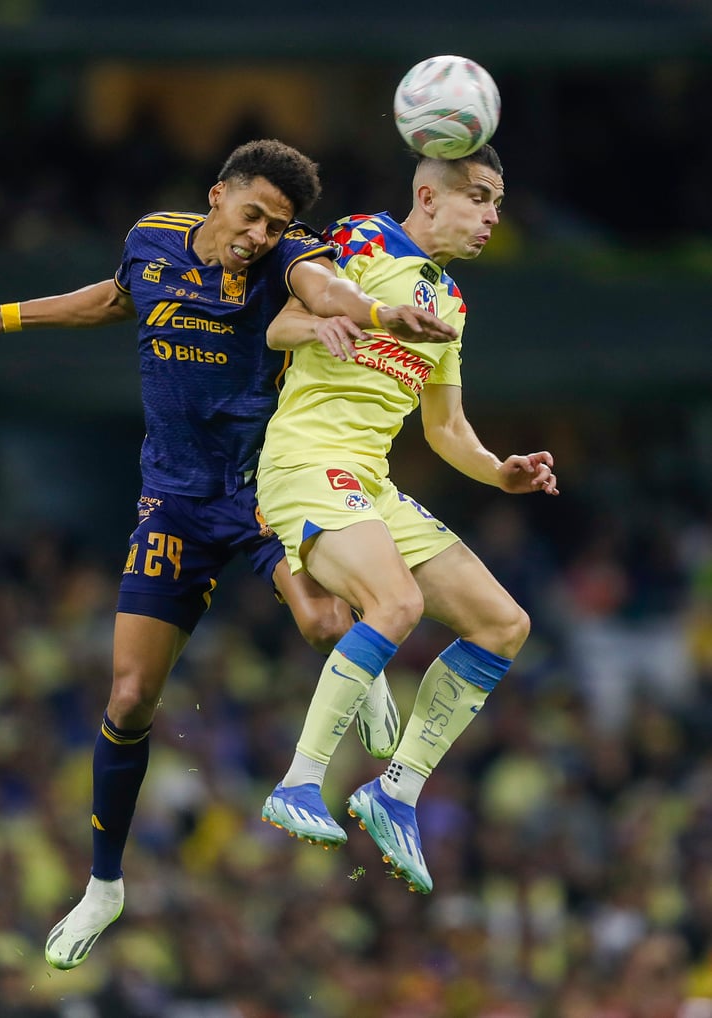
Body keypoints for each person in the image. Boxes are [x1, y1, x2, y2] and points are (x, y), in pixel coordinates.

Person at [0, 139, 457, 967]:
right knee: (131, 695)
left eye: (276, 224)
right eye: (251, 214)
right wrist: (3, 315)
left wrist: (374, 312)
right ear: (217, 196)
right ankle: (105, 886)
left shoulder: (289, 255)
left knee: (328, 620)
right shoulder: (152, 238)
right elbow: (115, 299)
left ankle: (363, 670)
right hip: (174, 505)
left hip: (260, 496)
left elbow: (323, 287)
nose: (260, 235)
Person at [257, 143, 559, 893]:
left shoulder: (450, 303)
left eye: (496, 202)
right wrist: (323, 325)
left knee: (502, 623)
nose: (493, 217)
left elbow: (446, 430)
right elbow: (278, 326)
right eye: (480, 198)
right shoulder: (361, 238)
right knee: (398, 603)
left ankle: (394, 793)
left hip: (371, 481)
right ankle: (299, 781)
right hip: (304, 460)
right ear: (428, 198)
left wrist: (499, 472)